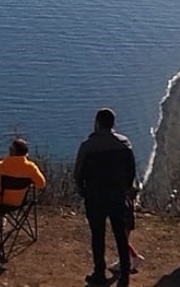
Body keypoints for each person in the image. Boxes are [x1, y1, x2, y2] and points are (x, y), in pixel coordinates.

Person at [75, 108, 138, 287]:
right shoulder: (124, 143)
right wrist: (125, 188)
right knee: (120, 235)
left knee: (97, 235)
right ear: (113, 124)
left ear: (97, 122)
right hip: (117, 196)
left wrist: (82, 191)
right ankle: (125, 274)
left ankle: (99, 273)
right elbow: (131, 170)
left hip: (95, 196)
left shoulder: (88, 145)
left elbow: (78, 172)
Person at [0, 138, 47, 208]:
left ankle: (2, 217)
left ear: (12, 151)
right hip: (18, 202)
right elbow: (41, 184)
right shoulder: (30, 168)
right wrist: (30, 184)